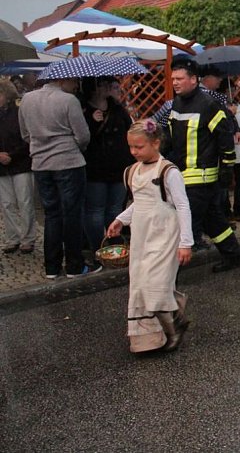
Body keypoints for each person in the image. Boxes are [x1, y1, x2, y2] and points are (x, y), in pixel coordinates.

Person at [107, 119, 193, 353]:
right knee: (140, 284)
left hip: (164, 234)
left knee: (155, 284)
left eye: (139, 147)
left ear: (156, 143)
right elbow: (140, 203)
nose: (134, 152)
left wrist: (186, 242)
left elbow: (183, 206)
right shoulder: (133, 171)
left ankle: (175, 325)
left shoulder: (168, 172)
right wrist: (120, 220)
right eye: (131, 147)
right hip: (142, 235)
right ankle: (152, 337)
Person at [163, 56, 240, 272]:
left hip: (200, 178)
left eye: (180, 78)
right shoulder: (178, 102)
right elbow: (172, 136)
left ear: (194, 79)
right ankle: (233, 255)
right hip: (184, 175)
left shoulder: (209, 105)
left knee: (184, 226)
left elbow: (225, 136)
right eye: (173, 79)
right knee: (213, 220)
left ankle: (168, 276)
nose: (175, 83)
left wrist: (227, 169)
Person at [19, 75, 99, 278]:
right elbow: (83, 135)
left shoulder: (27, 99)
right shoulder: (68, 101)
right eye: (74, 82)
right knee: (72, 214)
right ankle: (74, 265)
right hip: (68, 162)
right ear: (63, 80)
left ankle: (52, 267)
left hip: (40, 163)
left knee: (52, 214)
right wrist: (73, 146)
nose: (75, 86)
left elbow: (25, 134)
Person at [80, 77, 134, 251]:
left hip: (119, 167)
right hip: (95, 168)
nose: (106, 88)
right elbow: (82, 139)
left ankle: (115, 246)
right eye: (101, 85)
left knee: (115, 209)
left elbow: (129, 132)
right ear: (93, 88)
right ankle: (98, 248)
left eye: (107, 85)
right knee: (95, 211)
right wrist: (92, 123)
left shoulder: (117, 109)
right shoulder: (83, 110)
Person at [0, 79, 36, 254]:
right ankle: (12, 237)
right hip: (2, 167)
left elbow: (27, 137)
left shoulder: (18, 112)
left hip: (20, 163)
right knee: (7, 204)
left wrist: (11, 155)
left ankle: (28, 238)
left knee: (25, 201)